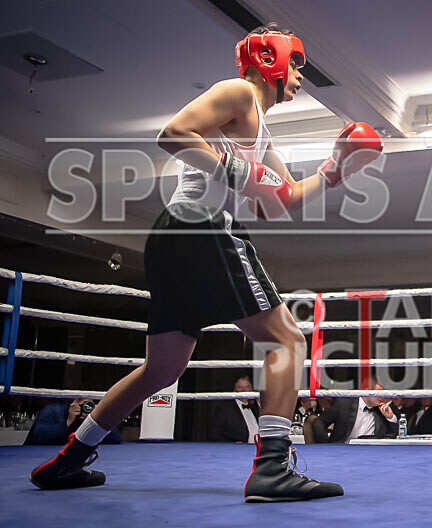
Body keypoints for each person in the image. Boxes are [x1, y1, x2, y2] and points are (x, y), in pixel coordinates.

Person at [29, 25, 382, 502]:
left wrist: (333, 171)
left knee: (161, 371)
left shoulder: (262, 134)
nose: (301, 74)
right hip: (203, 225)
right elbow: (173, 134)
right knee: (287, 341)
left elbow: (278, 202)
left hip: (174, 237)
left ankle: (68, 459)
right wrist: (240, 170)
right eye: (296, 62)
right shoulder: (238, 92)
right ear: (270, 59)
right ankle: (272, 468)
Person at [311, 382, 398, 443]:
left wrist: (390, 417)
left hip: (370, 453)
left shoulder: (382, 410)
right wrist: (326, 445)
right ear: (366, 391)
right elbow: (319, 422)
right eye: (378, 393)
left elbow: (391, 435)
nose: (381, 397)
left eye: (383, 393)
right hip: (343, 451)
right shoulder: (344, 404)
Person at [25, 399, 121, 446]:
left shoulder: (92, 416)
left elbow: (116, 438)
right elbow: (38, 436)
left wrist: (99, 418)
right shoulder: (53, 410)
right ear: (75, 402)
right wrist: (68, 422)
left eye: (89, 405)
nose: (86, 409)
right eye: (83, 405)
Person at [209, 376, 260, 443]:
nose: (244, 390)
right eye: (240, 387)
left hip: (260, 447)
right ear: (234, 390)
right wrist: (234, 445)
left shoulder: (255, 408)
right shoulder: (225, 408)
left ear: (251, 390)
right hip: (238, 448)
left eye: (247, 387)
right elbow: (215, 433)